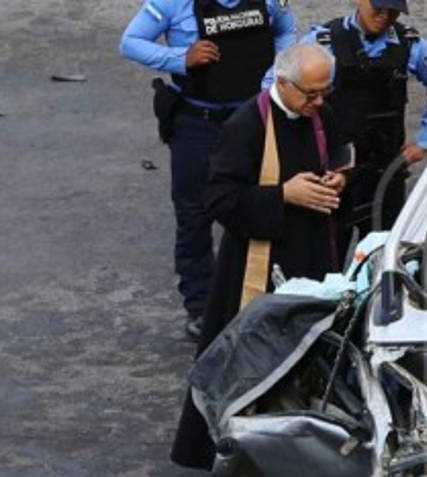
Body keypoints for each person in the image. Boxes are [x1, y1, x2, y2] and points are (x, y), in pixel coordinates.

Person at [170, 42, 348, 471]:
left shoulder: (318, 114)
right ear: (283, 84)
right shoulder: (246, 125)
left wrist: (339, 179)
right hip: (259, 264)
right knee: (247, 365)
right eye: (311, 94)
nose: (319, 103)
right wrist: (283, 194)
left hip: (312, 255)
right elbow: (219, 200)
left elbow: (340, 155)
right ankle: (233, 460)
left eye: (325, 93)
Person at [121, 0, 298, 341]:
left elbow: (286, 30)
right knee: (194, 215)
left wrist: (274, 75)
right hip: (197, 123)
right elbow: (130, 42)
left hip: (252, 120)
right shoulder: (174, 3)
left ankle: (260, 298)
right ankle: (201, 307)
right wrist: (180, 58)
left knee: (260, 205)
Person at [267, 0, 427, 254]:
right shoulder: (324, 42)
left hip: (385, 170)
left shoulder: (409, 44)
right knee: (327, 253)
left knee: (385, 252)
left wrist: (424, 140)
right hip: (332, 171)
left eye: (393, 12)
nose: (384, 16)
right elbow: (276, 85)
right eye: (378, 8)